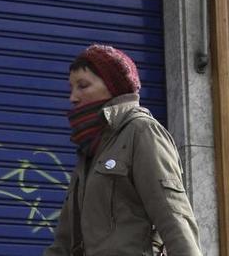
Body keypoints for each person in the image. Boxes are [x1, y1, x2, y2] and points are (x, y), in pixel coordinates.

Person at [44, 44, 203, 256]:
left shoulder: (141, 131)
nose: (73, 97)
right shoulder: (91, 148)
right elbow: (64, 241)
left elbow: (173, 216)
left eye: (82, 86)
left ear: (113, 86)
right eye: (71, 88)